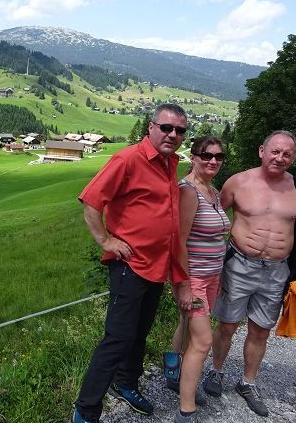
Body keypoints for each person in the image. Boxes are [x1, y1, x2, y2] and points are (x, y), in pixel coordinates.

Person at [71, 103, 190, 423]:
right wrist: (106, 241)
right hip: (130, 264)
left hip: (157, 264)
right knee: (118, 338)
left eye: (180, 130)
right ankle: (86, 410)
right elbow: (91, 200)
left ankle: (125, 384)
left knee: (139, 332)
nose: (173, 134)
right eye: (166, 127)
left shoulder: (170, 162)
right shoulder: (128, 159)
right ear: (151, 127)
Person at [202, 130, 296, 417]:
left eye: (287, 154)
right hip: (239, 265)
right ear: (261, 151)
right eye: (275, 151)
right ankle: (216, 371)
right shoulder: (238, 182)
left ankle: (248, 382)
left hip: (278, 270)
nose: (280, 158)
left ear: (293, 158)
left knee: (260, 330)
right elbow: (210, 217)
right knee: (227, 324)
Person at [168, 136, 231, 423]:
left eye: (218, 156)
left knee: (189, 329)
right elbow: (178, 241)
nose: (213, 161)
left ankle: (176, 376)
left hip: (212, 275)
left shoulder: (213, 191)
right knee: (203, 341)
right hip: (193, 277)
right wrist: (182, 284)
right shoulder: (189, 191)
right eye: (206, 155)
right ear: (193, 157)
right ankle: (186, 409)